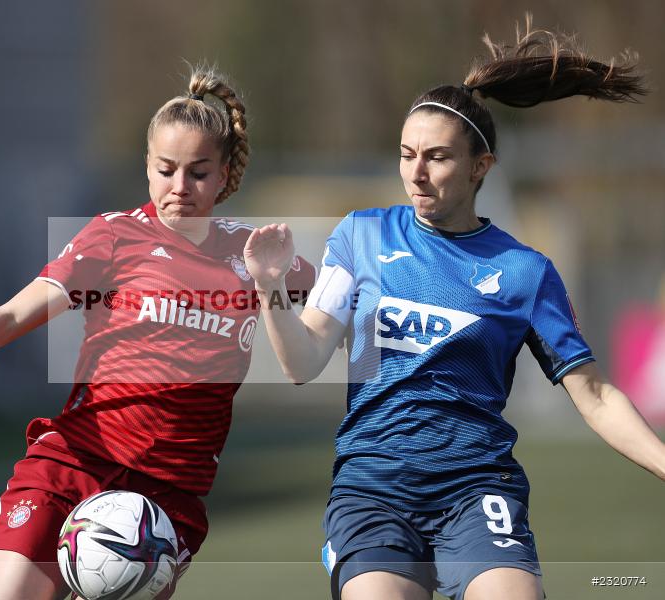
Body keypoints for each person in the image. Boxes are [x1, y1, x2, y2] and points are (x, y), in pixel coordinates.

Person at [244, 17, 665, 600]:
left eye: (436, 157)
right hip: (374, 489)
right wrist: (269, 289)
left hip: (476, 488)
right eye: (406, 153)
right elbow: (303, 360)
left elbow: (593, 396)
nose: (416, 173)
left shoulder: (525, 272)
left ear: (480, 166)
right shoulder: (360, 236)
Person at [0, 66, 316, 600]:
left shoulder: (254, 254)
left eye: (198, 172)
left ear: (223, 176)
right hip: (74, 462)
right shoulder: (113, 236)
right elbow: (10, 317)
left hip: (168, 499)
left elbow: (338, 314)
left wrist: (275, 287)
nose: (180, 187)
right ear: (146, 166)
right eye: (166, 169)